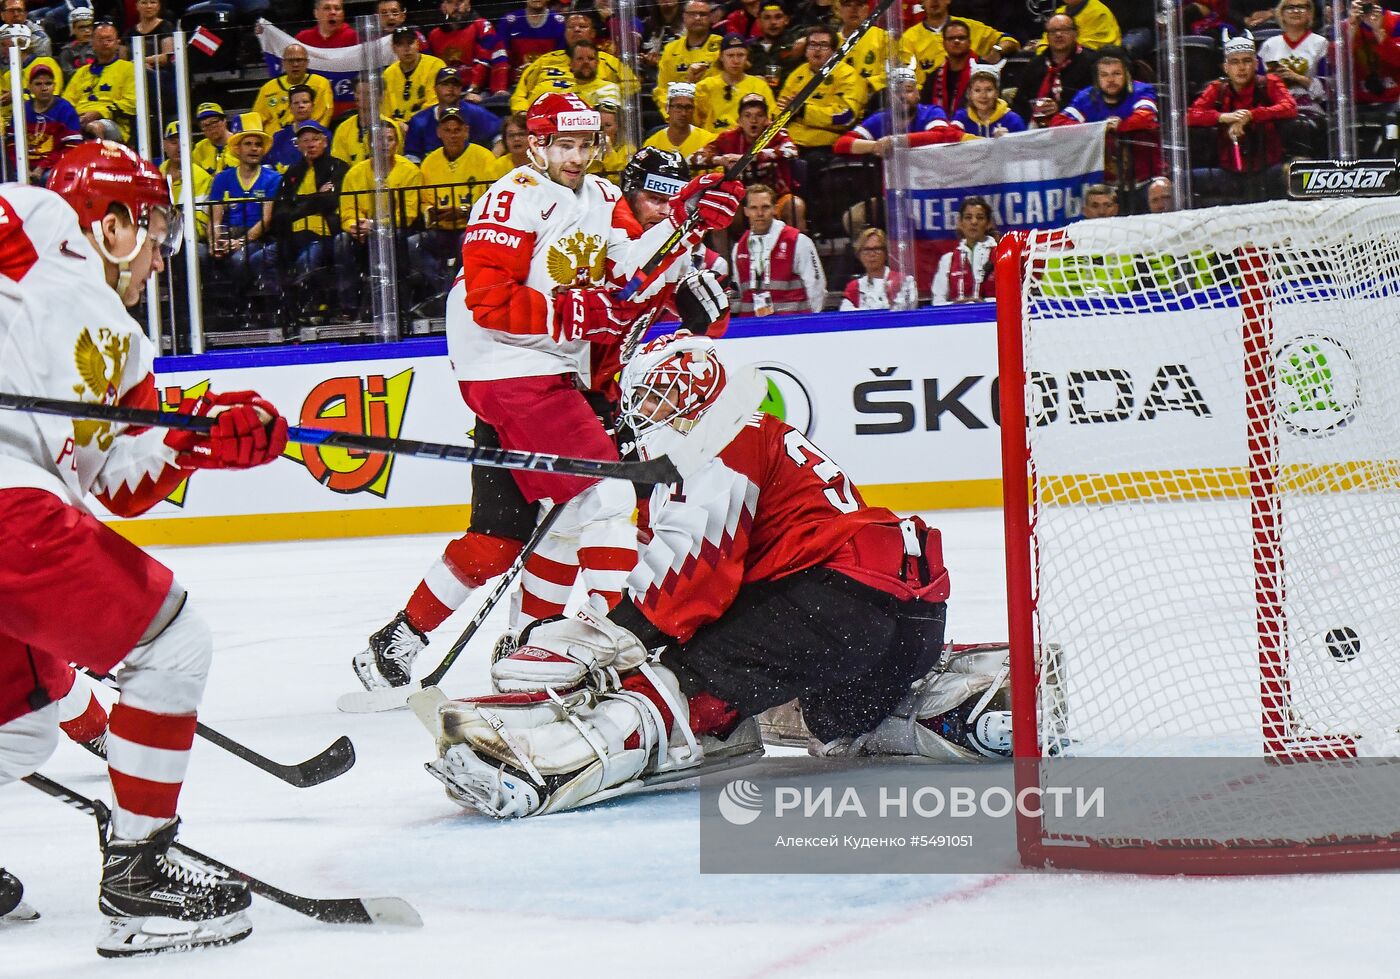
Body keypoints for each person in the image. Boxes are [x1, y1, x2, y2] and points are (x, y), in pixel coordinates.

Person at [427, 332, 952, 818]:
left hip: (832, 606)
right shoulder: (760, 434)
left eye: (656, 397)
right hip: (908, 617)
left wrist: (601, 637)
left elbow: (695, 564)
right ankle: (942, 702)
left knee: (678, 679)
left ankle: (544, 763)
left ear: (694, 393)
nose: (645, 413)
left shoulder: (724, 437)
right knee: (836, 721)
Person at [0, 140, 287, 953]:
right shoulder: (44, 221)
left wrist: (202, 441)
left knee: (19, 725)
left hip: (22, 502)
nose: (162, 251)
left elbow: (113, 482)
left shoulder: (124, 346)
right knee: (172, 640)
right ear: (113, 221)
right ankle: (141, 880)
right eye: (155, 229)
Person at [352, 94, 742, 691]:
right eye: (564, 145)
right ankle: (617, 646)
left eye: (586, 145)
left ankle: (421, 640)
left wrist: (682, 225)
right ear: (534, 143)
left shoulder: (604, 199)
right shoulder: (513, 198)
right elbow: (487, 302)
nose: (576, 157)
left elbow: (629, 269)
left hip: (550, 378)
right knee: (608, 497)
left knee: (501, 536)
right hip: (511, 369)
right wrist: (570, 313)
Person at [1187, 34, 1298, 204]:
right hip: (1229, 172)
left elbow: (1290, 107)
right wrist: (1223, 117)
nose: (1241, 68)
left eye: (1247, 61)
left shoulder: (1270, 83)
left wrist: (1251, 115)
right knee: (1184, 180)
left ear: (1256, 64)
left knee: (1297, 173)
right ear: (1226, 67)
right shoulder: (1218, 88)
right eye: (1234, 62)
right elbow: (1190, 116)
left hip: (1267, 169)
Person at [335, 121, 421, 317]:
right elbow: (347, 210)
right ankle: (349, 307)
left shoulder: (410, 172)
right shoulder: (354, 173)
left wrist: (374, 225)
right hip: (362, 234)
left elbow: (408, 215)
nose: (384, 144)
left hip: (396, 230)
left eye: (390, 139)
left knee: (399, 237)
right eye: (379, 139)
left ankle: (399, 304)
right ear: (370, 144)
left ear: (397, 143)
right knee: (341, 241)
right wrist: (354, 226)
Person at [270, 120, 348, 323]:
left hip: (323, 233)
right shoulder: (293, 173)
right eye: (304, 141)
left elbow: (330, 201)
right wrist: (315, 199)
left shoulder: (338, 167)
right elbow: (280, 211)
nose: (310, 144)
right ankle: (281, 310)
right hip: (291, 235)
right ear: (298, 145)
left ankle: (306, 309)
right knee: (257, 259)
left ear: (325, 142)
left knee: (307, 260)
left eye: (315, 139)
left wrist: (299, 204)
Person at [415, 105, 495, 295]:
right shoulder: (429, 163)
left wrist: (466, 211)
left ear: (466, 131)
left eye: (457, 130)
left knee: (463, 242)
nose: (453, 135)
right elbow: (424, 202)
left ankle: (459, 292)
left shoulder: (485, 157)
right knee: (413, 244)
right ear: (439, 133)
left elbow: (493, 196)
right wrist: (431, 213)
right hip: (441, 227)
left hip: (473, 228)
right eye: (448, 131)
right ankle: (442, 291)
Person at [692, 93, 802, 229]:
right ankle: (724, 251)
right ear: (739, 120)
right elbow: (694, 158)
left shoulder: (777, 133)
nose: (753, 120)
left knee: (796, 205)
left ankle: (797, 247)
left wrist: (751, 158)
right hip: (740, 200)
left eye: (759, 115)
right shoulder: (728, 137)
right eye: (747, 115)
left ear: (767, 119)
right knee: (716, 211)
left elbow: (791, 151)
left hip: (776, 197)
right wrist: (720, 159)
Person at [1052, 52, 1161, 184]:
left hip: (1146, 180)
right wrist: (1099, 129)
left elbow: (1146, 117)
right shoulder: (1086, 97)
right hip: (1100, 184)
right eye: (1104, 75)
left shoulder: (1142, 90)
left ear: (1127, 74)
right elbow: (1058, 124)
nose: (1110, 80)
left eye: (1116, 73)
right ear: (1097, 79)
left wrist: (1120, 125)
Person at [207, 120, 279, 305]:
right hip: (228, 234)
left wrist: (240, 242)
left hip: (258, 237)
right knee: (198, 256)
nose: (254, 149)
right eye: (248, 144)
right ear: (237, 149)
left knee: (240, 260)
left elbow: (267, 220)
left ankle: (240, 308)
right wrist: (215, 242)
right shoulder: (222, 178)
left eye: (258, 145)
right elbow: (214, 219)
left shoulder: (274, 178)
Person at [732, 182, 824, 314]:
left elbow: (816, 287)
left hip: (792, 327)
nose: (759, 213)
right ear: (746, 211)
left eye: (765, 207)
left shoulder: (798, 241)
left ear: (775, 209)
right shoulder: (738, 248)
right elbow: (740, 292)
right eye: (753, 208)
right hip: (753, 328)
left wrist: (810, 324)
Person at [776, 24, 867, 152]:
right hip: (790, 144)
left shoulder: (848, 75)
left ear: (835, 51)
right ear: (806, 50)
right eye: (812, 45)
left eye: (823, 45)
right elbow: (779, 110)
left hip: (824, 147)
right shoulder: (797, 74)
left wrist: (803, 112)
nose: (817, 50)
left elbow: (846, 117)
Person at [834, 65, 959, 155]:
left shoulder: (932, 112)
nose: (902, 96)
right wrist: (876, 146)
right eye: (896, 92)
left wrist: (895, 141)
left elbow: (942, 135)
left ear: (917, 94)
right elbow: (841, 144)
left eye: (908, 90)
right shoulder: (881, 118)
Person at [900, 0, 1017, 89]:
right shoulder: (908, 39)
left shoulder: (969, 27)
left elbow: (1009, 41)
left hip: (974, 96)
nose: (934, 1)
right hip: (932, 101)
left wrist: (997, 50)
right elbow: (913, 84)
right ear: (921, 2)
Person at [1010, 13, 1096, 127]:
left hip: (1077, 128)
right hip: (1037, 130)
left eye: (1064, 30)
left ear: (1075, 33)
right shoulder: (1035, 64)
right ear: (1047, 36)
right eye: (1053, 31)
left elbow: (1096, 101)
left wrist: (1060, 107)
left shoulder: (1091, 61)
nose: (1058, 34)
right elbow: (1020, 102)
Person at [404, 66, 501, 162]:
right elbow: (412, 157)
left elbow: (500, 135)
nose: (450, 88)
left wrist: (492, 159)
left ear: (460, 89)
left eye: (455, 84)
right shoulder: (420, 121)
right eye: (445, 84)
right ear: (435, 89)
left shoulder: (476, 113)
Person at [61, 22, 133, 141]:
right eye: (100, 39)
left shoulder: (129, 68)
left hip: (112, 122)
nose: (105, 43)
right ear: (92, 43)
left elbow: (131, 103)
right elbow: (66, 102)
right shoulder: (82, 72)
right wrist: (75, 117)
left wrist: (99, 113)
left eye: (109, 39)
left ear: (117, 43)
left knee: (93, 127)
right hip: (79, 119)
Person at [693, 32, 773, 132]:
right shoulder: (705, 86)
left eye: (740, 55)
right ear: (721, 57)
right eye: (730, 55)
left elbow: (768, 120)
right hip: (712, 142)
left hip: (748, 143)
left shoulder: (759, 86)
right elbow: (694, 121)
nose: (735, 61)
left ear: (747, 57)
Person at [428, 0, 507, 98]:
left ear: (468, 5)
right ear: (443, 7)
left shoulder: (482, 26)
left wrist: (473, 90)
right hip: (447, 93)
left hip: (478, 91)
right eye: (450, 2)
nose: (456, 6)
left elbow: (484, 61)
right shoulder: (434, 35)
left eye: (460, 1)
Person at [652, 0, 721, 112]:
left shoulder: (721, 46)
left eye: (703, 14)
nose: (698, 18)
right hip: (677, 113)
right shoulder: (671, 49)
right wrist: (671, 113)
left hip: (711, 111)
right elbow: (662, 90)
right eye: (692, 14)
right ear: (684, 17)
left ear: (710, 18)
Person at [931, 195, 996, 304]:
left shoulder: (1002, 257)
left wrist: (984, 302)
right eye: (968, 217)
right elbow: (937, 302)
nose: (974, 222)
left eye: (980, 217)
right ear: (960, 223)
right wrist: (957, 305)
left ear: (989, 223)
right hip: (957, 319)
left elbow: (1014, 297)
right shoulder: (948, 260)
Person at [254, 44, 333, 131]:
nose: (295, 64)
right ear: (283, 63)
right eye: (290, 60)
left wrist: (312, 134)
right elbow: (257, 120)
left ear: (307, 62)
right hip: (275, 141)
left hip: (309, 137)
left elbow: (325, 116)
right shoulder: (268, 88)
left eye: (299, 60)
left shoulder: (321, 84)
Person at [23, 62, 78, 179]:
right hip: (24, 165)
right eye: (38, 84)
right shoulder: (23, 109)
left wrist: (42, 167)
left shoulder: (65, 109)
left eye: (48, 83)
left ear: (54, 86)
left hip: (53, 166)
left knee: (48, 178)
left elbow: (71, 146)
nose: (44, 88)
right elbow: (12, 144)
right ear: (30, 87)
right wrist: (23, 168)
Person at [383, 27, 448, 124]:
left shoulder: (435, 66)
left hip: (427, 124)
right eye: (400, 44)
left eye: (410, 43)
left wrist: (409, 124)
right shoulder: (388, 73)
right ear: (394, 48)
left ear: (417, 44)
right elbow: (385, 110)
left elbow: (434, 105)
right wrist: (395, 125)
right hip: (397, 129)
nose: (406, 49)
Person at [496, 0, 566, 86]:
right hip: (514, 84)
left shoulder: (560, 24)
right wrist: (501, 87)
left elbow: (562, 61)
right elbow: (500, 58)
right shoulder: (508, 22)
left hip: (549, 83)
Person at [842, 227, 915, 309]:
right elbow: (846, 315)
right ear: (859, 255)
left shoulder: (904, 281)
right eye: (867, 249)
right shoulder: (854, 287)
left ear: (886, 253)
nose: (872, 254)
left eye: (877, 249)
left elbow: (905, 312)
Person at [918, 18, 976, 117]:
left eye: (961, 38)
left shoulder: (982, 72)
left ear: (969, 42)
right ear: (944, 44)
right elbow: (924, 109)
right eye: (951, 38)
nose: (956, 41)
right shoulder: (933, 77)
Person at [953, 64, 1026, 138]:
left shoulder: (1013, 121)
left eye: (989, 90)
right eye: (977, 90)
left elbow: (1024, 147)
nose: (983, 96)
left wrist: (1007, 141)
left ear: (997, 93)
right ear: (969, 93)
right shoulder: (961, 118)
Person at [645, 81, 715, 157]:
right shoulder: (652, 144)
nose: (683, 113)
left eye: (688, 107)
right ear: (667, 109)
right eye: (678, 107)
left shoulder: (708, 141)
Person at [835, 0, 887, 93]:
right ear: (839, 10)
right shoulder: (831, 42)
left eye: (859, 4)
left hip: (874, 99)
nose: (853, 10)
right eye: (848, 5)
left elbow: (893, 72)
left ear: (867, 9)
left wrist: (867, 84)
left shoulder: (883, 37)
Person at [746, 1, 804, 83]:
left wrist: (807, 39)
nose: (773, 22)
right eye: (767, 17)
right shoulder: (749, 48)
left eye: (778, 17)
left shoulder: (795, 40)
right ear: (758, 22)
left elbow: (822, 34)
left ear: (786, 20)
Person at [264, 84, 317, 170]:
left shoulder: (324, 134)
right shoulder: (279, 137)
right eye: (296, 103)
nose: (301, 106)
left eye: (305, 102)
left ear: (312, 106)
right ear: (290, 108)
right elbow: (268, 165)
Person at [1035, 0, 1121, 51]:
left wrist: (1057, 51)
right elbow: (1045, 42)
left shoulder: (1098, 11)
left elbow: (1090, 47)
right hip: (1059, 61)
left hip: (1094, 63)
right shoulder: (1059, 12)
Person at [191, 102, 235, 175]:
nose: (211, 127)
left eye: (214, 122)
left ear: (224, 121)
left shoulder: (239, 142)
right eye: (205, 125)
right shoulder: (200, 148)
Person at [56, 5, 92, 78]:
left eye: (89, 26)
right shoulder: (67, 51)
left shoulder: (100, 47)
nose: (87, 30)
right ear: (73, 29)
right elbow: (68, 75)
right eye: (82, 27)